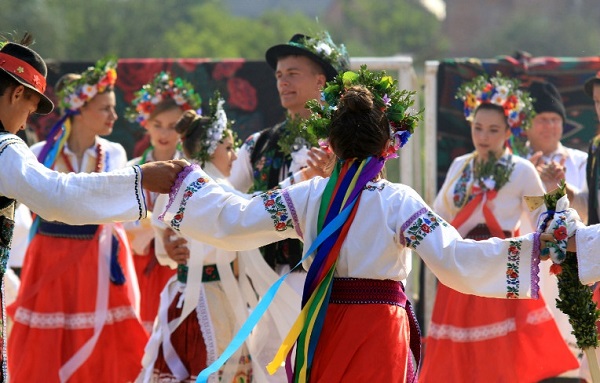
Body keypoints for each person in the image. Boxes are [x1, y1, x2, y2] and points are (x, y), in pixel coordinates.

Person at [154, 66, 582, 383]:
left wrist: (182, 181)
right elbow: (455, 257)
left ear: (331, 143)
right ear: (388, 145)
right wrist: (534, 246)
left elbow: (237, 218)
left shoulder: (308, 195)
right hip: (381, 325)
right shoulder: (398, 202)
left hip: (323, 319)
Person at [0, 38, 184, 382]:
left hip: (97, 262)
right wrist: (142, 176)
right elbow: (58, 196)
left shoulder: (108, 151)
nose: (25, 123)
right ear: (15, 95)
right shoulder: (8, 149)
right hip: (52, 261)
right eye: (28, 109)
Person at [418, 74, 578, 382]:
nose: (484, 136)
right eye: (478, 128)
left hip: (502, 262)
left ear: (509, 131)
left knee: (500, 356)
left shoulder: (521, 169)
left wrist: (551, 194)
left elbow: (541, 220)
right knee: (458, 359)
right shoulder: (461, 166)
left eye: (493, 130)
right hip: (462, 261)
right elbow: (438, 214)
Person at [139, 95, 299, 382]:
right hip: (205, 300)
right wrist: (299, 182)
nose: (235, 156)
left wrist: (166, 246)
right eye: (228, 148)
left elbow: (163, 228)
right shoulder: (214, 189)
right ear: (211, 151)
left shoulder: (181, 187)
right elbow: (251, 209)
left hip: (200, 294)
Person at [228, 32, 349, 293]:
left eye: (293, 73)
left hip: (326, 276)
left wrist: (331, 180)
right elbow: (229, 199)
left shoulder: (345, 141)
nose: (283, 82)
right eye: (279, 75)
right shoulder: (258, 145)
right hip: (263, 278)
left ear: (320, 81)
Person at [123, 71, 199, 333]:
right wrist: (155, 226)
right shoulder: (131, 169)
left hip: (178, 262)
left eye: (173, 125)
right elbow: (121, 221)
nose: (165, 133)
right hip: (139, 265)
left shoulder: (193, 172)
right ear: (145, 123)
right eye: (157, 124)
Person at [527, 80, 588, 220]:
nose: (549, 125)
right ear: (526, 125)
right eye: (542, 119)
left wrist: (562, 189)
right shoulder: (515, 161)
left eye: (554, 119)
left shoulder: (582, 161)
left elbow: (589, 214)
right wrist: (527, 176)